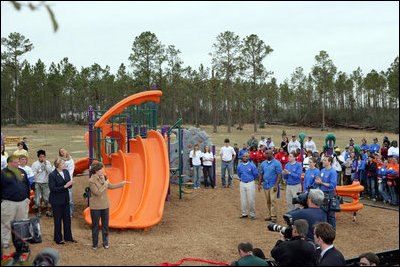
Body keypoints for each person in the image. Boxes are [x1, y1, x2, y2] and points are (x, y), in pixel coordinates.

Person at [89, 161, 126, 250]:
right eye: (100, 169)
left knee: (105, 225)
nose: (102, 170)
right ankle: (95, 244)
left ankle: (105, 243)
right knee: (95, 226)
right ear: (96, 170)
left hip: (105, 205)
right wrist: (105, 185)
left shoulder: (102, 177)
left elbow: (111, 186)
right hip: (96, 207)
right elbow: (97, 192)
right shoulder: (91, 181)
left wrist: (122, 184)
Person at [1, 155, 30, 249]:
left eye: (18, 162)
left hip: (22, 203)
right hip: (9, 203)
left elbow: (27, 185)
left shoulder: (22, 172)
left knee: (21, 224)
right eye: (16, 162)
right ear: (9, 163)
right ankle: (4, 242)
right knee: (6, 224)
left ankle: (21, 242)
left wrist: (27, 199)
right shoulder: (3, 173)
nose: (18, 163)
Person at [48, 157, 77, 245]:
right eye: (63, 163)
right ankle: (58, 238)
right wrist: (65, 186)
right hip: (56, 200)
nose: (64, 165)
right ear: (58, 165)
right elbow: (52, 188)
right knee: (57, 220)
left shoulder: (66, 172)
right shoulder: (52, 175)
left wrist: (70, 184)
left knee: (67, 219)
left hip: (65, 199)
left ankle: (68, 237)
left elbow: (68, 184)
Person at [258, 150, 282, 223]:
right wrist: (259, 184)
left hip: (273, 185)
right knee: (268, 201)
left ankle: (274, 217)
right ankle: (270, 215)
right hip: (266, 185)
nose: (266, 154)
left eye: (268, 153)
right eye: (266, 153)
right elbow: (261, 174)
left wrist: (276, 185)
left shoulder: (277, 163)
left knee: (273, 200)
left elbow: (279, 175)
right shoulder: (263, 163)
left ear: (272, 154)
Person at [315, 156, 338, 229]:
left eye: (325, 160)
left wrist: (321, 183)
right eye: (323, 160)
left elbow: (332, 185)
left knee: (331, 215)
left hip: (330, 194)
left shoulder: (333, 171)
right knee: (322, 213)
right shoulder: (322, 170)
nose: (323, 161)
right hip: (322, 193)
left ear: (329, 162)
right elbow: (320, 181)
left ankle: (332, 230)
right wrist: (318, 181)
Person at [31, 149, 54, 217]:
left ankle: (48, 210)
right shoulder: (35, 164)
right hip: (37, 182)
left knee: (47, 197)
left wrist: (46, 164)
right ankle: (39, 211)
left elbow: (50, 171)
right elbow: (32, 174)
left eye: (43, 157)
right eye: (41, 157)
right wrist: (37, 172)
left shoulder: (48, 163)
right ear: (38, 157)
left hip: (46, 182)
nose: (42, 158)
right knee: (38, 197)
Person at [237, 153, 258, 220]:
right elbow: (239, 174)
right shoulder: (239, 166)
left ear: (248, 157)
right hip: (242, 183)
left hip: (250, 183)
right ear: (242, 157)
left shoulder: (252, 165)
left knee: (251, 199)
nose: (245, 157)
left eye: (246, 156)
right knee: (243, 199)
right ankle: (244, 213)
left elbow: (255, 174)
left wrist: (250, 179)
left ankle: (252, 214)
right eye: (244, 156)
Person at [59, 148, 75, 216]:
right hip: (60, 181)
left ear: (66, 151)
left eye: (63, 151)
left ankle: (70, 212)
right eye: (61, 152)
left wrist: (68, 179)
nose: (63, 152)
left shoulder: (70, 160)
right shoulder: (59, 160)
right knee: (61, 197)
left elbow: (71, 170)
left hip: (68, 180)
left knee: (69, 198)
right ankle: (62, 211)